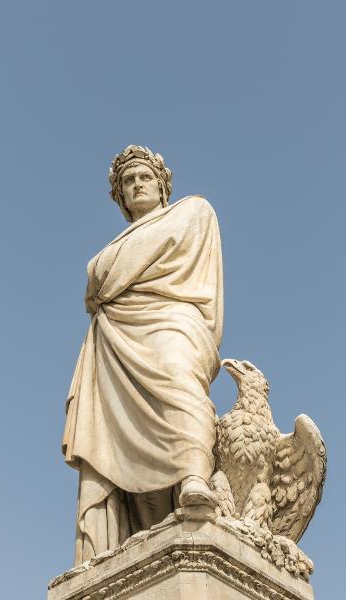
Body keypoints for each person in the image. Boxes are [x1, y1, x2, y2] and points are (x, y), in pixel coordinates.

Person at [62, 145, 223, 564]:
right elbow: (99, 279)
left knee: (177, 381)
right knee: (117, 433)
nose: (136, 185)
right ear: (121, 199)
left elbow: (100, 277)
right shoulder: (120, 243)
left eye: (143, 177)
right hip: (116, 339)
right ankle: (143, 530)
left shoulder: (192, 211)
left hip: (172, 319)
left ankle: (193, 476)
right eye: (127, 183)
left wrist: (103, 275)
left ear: (162, 186)